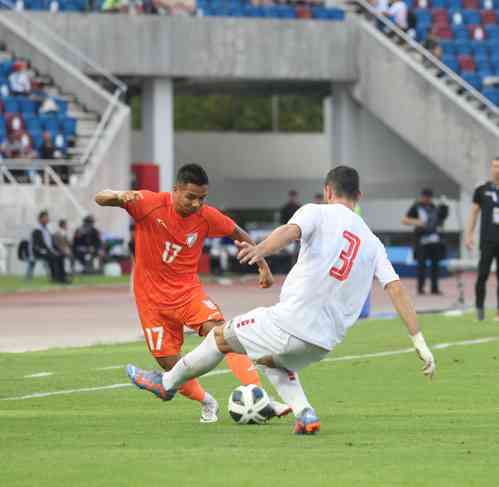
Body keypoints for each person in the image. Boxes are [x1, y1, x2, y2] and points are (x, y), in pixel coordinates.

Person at [126, 166, 436, 435]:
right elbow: (396, 289)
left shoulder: (316, 211)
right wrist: (419, 341)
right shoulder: (373, 242)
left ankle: (165, 384)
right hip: (323, 342)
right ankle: (305, 414)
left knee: (220, 337)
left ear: (328, 190)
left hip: (290, 322)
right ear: (359, 195)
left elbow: (289, 231)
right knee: (270, 359)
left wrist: (260, 250)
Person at [95, 163, 289, 423]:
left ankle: (261, 396)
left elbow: (238, 233)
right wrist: (118, 195)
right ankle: (206, 401)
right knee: (169, 365)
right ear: (175, 190)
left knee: (223, 333)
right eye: (191, 197)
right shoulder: (148, 203)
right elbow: (100, 197)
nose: (198, 204)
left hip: (187, 292)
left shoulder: (206, 216)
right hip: (151, 300)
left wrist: (263, 264)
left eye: (202, 198)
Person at [464, 158, 499, 321]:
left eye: (498, 166)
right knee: (482, 275)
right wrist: (468, 234)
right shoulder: (482, 190)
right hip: (487, 240)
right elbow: (473, 212)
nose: (496, 169)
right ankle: (479, 311)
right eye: (494, 166)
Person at [402, 189, 446, 295]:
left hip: (434, 240)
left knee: (435, 265)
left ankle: (434, 288)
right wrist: (418, 222)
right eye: (425, 197)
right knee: (421, 265)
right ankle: (420, 288)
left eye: (429, 198)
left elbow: (440, 222)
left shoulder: (434, 207)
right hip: (421, 240)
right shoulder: (416, 206)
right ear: (422, 197)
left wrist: (444, 213)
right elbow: (404, 220)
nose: (427, 199)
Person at [31, 210, 68, 283]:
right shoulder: (37, 230)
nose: (47, 219)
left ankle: (62, 277)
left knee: (61, 255)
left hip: (50, 250)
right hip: (41, 251)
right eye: (45, 218)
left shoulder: (48, 230)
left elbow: (53, 243)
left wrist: (60, 250)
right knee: (53, 256)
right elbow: (36, 245)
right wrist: (44, 251)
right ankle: (54, 278)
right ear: (40, 219)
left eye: (47, 218)